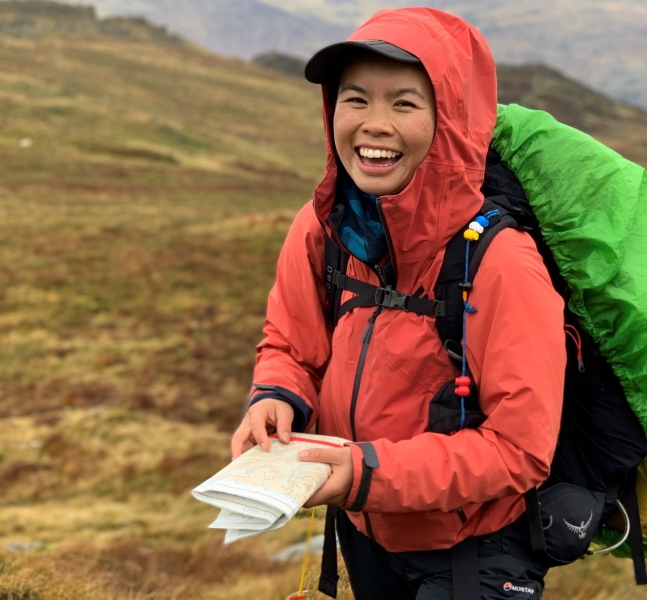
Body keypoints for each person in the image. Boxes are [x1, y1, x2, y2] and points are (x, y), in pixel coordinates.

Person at [230, 7, 566, 599]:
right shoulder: (322, 228)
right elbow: (290, 344)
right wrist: (275, 397)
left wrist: (364, 474)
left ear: (450, 121)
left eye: (404, 104)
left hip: (473, 553)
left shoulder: (501, 261)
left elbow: (520, 451)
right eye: (355, 100)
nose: (373, 124)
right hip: (365, 533)